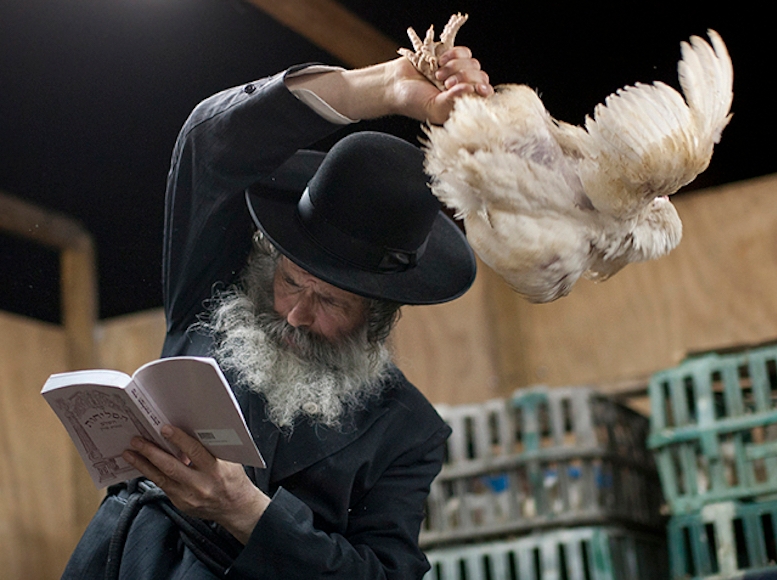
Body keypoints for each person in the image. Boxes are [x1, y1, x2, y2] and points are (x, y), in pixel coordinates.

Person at [61, 43, 493, 579]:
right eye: (291, 282)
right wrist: (380, 88)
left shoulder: (408, 431)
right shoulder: (215, 294)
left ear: (378, 317)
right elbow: (211, 145)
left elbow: (385, 575)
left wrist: (245, 513)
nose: (295, 315)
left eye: (331, 301)